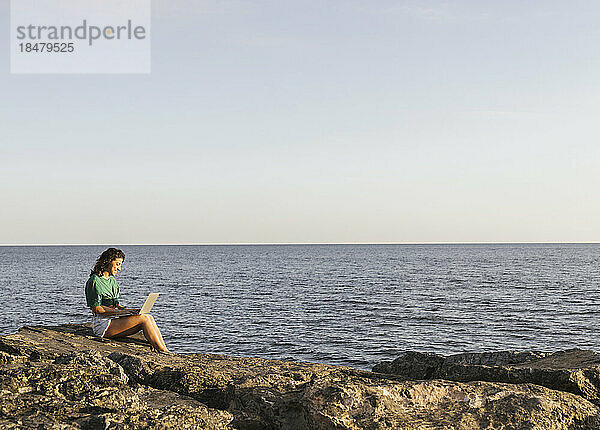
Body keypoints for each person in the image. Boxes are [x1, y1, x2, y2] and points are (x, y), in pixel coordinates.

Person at [84, 247, 170, 353]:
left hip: (113, 319)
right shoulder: (94, 281)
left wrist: (130, 311)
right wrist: (122, 312)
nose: (119, 268)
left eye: (120, 265)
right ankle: (162, 351)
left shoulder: (112, 281)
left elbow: (116, 305)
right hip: (102, 325)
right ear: (107, 262)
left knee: (149, 317)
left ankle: (164, 349)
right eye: (117, 264)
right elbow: (97, 309)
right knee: (144, 319)